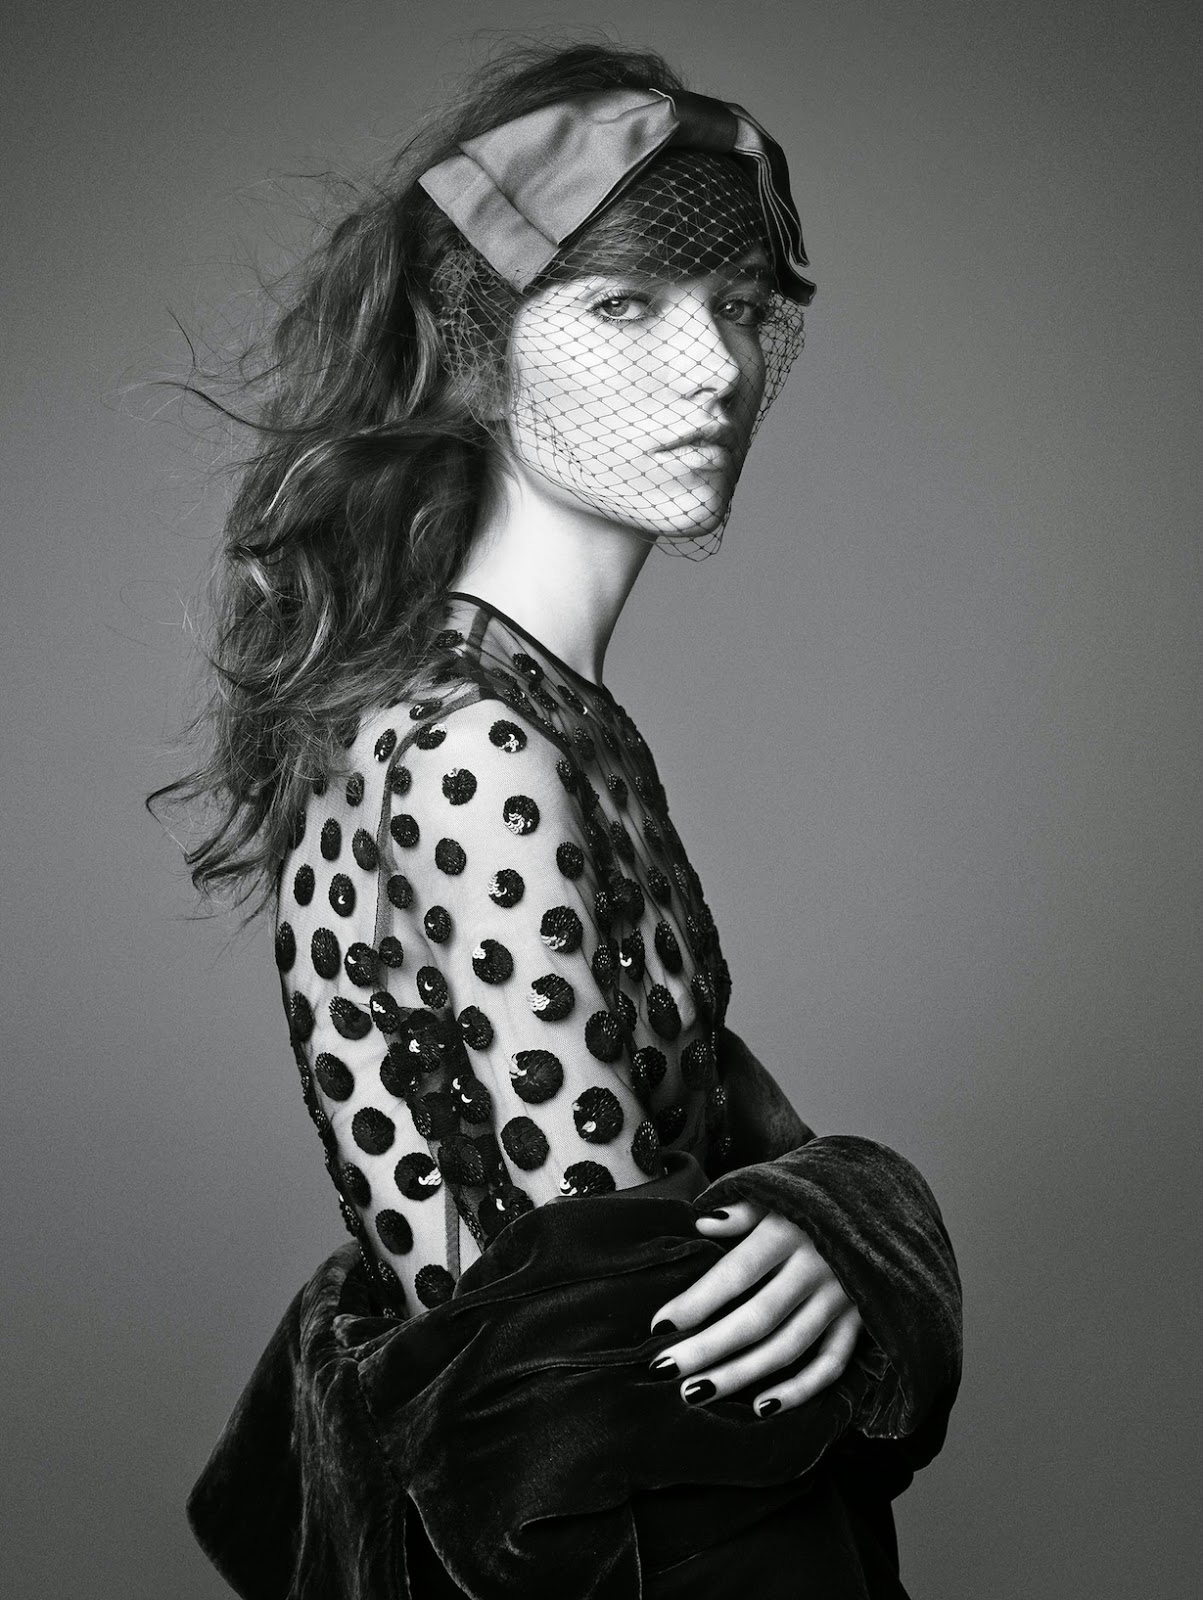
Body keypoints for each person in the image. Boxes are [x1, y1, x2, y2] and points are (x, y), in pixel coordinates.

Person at [156, 41, 962, 1599]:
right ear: (478, 346)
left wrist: (834, 1204)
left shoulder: (527, 707)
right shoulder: (476, 743)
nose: (713, 367)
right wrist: (854, 1217)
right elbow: (620, 1334)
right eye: (623, 307)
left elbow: (705, 1130)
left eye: (739, 307)